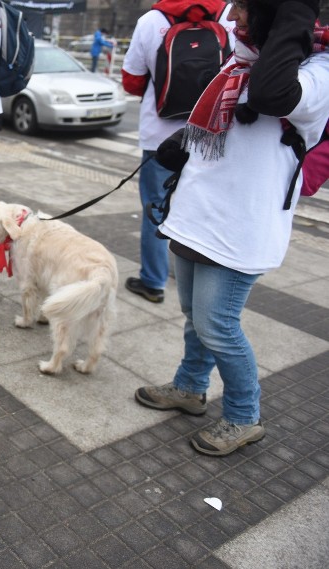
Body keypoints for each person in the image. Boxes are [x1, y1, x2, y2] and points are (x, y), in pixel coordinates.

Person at [134, 0, 328, 456]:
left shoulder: (317, 73)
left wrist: (291, 10)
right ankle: (190, 387)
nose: (233, 16)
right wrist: (183, 143)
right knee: (193, 316)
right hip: (198, 212)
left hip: (241, 225)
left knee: (218, 324)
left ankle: (244, 416)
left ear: (279, 17)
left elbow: (269, 97)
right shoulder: (243, 58)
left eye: (245, 8)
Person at [121, 0, 233, 303]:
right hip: (210, 134)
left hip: (160, 134)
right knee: (204, 207)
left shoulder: (151, 20)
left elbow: (131, 82)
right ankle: (198, 282)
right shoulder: (229, 16)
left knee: (155, 208)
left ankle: (153, 281)